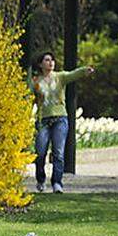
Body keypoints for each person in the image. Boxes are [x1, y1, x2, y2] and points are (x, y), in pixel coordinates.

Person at [30, 52, 94, 193]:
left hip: (60, 118)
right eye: (47, 60)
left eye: (52, 60)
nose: (51, 62)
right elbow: (27, 96)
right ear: (41, 64)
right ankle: (40, 180)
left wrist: (85, 70)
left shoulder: (60, 77)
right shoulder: (35, 81)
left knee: (58, 153)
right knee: (40, 153)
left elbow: (73, 74)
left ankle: (57, 183)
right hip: (43, 120)